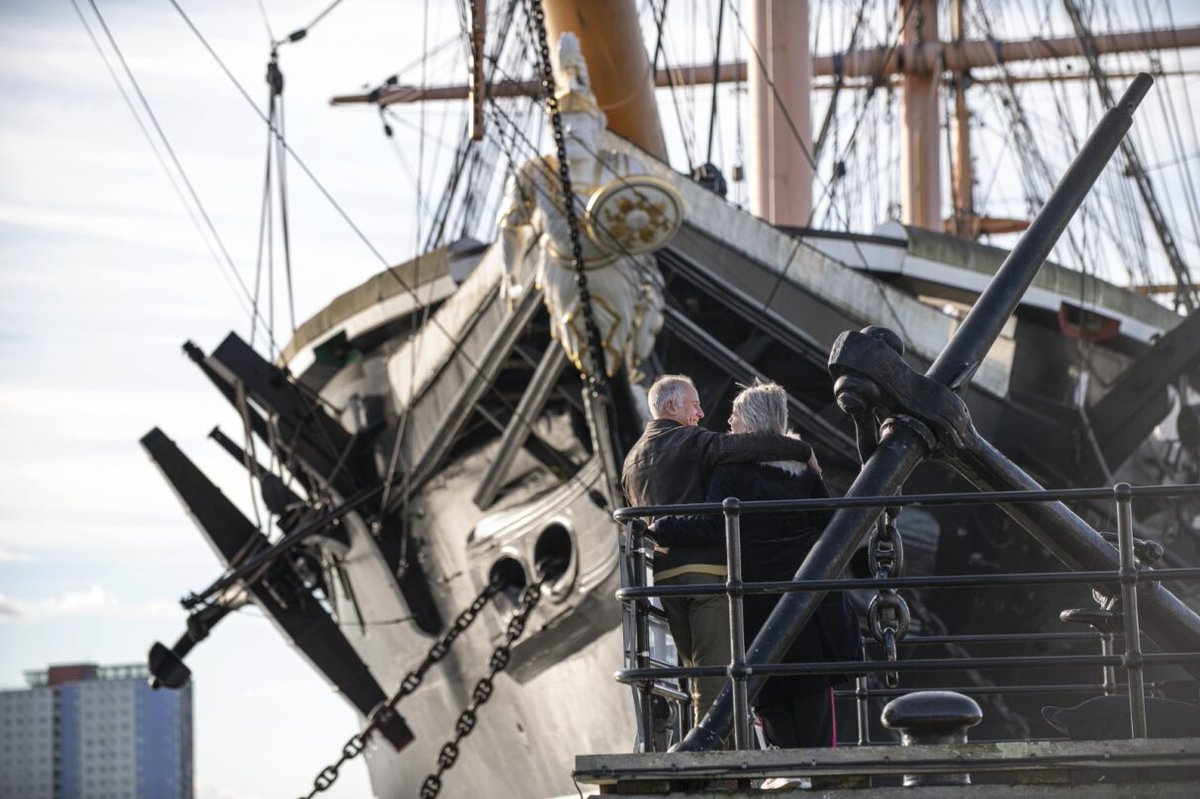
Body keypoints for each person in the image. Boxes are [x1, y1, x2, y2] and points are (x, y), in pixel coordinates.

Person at [652, 381, 859, 749]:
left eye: (735, 415)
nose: (728, 422)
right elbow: (829, 528)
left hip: (758, 598)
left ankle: (785, 771)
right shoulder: (804, 472)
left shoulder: (731, 472)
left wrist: (662, 527)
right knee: (814, 703)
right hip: (806, 600)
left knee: (770, 694)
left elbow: (712, 524)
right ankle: (820, 775)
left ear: (749, 420)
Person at [621, 374, 815, 730]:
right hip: (706, 573)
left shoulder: (631, 461)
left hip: (664, 577)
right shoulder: (692, 440)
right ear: (670, 407)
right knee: (715, 676)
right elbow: (745, 446)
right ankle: (709, 761)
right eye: (694, 405)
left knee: (694, 671)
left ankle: (703, 749)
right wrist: (799, 450)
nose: (700, 413)